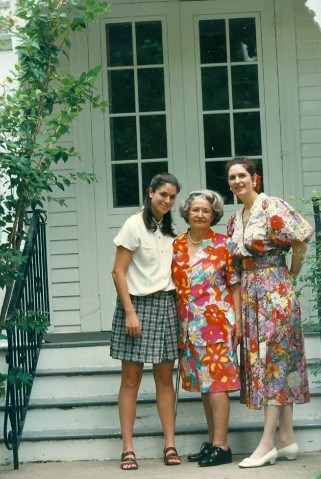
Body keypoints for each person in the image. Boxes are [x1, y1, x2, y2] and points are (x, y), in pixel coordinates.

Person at [225, 157, 314, 468]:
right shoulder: (235, 220)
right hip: (251, 295)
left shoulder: (271, 206)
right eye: (232, 177)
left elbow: (301, 237)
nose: (237, 182)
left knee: (274, 362)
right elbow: (234, 266)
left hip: (275, 291)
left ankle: (266, 445)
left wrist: (292, 273)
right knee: (274, 361)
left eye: (242, 176)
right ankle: (286, 438)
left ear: (255, 178)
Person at [110, 172, 181, 470]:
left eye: (172, 197)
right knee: (131, 380)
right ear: (150, 192)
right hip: (137, 306)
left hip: (166, 305)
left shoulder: (170, 229)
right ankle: (128, 448)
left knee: (165, 380)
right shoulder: (133, 225)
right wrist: (129, 312)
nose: (167, 200)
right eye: (163, 194)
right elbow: (118, 271)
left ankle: (170, 444)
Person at [172, 189, 241, 467]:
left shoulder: (225, 244)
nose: (200, 214)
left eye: (206, 211)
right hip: (187, 324)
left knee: (217, 383)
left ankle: (222, 447)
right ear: (187, 212)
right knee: (204, 384)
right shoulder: (175, 244)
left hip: (217, 323)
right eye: (196, 210)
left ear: (214, 215)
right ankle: (213, 441)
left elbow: (235, 284)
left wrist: (237, 322)